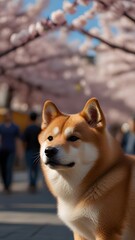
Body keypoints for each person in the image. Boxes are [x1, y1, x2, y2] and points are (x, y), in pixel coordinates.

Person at [0, 110, 20, 193]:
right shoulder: (1, 127)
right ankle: (5, 185)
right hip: (2, 150)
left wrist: (19, 153)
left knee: (9, 167)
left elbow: (18, 140)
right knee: (3, 169)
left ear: (11, 116)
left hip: (11, 150)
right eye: (6, 115)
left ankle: (8, 185)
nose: (8, 117)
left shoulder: (15, 127)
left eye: (9, 115)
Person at [23, 111, 41, 192]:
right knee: (36, 168)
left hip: (29, 150)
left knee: (30, 168)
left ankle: (31, 183)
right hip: (37, 150)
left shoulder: (27, 129)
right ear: (36, 118)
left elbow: (24, 141)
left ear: (30, 118)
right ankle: (34, 183)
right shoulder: (39, 129)